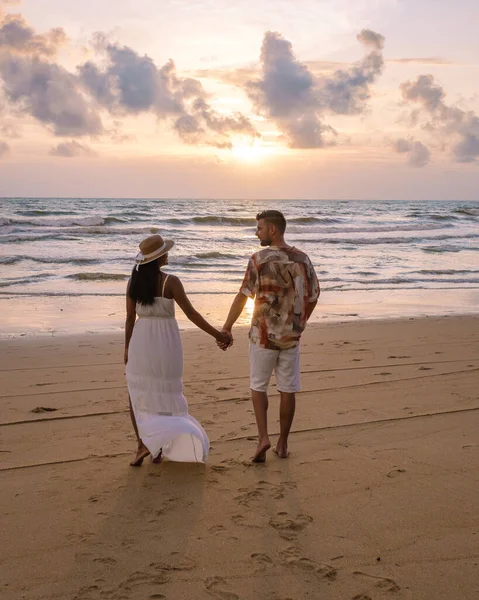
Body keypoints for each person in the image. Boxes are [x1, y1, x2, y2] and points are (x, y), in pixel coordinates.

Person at [219, 210, 320, 462]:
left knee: (258, 386)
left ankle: (263, 438)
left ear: (272, 230)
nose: (257, 232)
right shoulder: (302, 259)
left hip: (262, 335)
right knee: (288, 389)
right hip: (290, 336)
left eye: (260, 228)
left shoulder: (258, 259)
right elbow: (315, 294)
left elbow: (244, 295)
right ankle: (283, 444)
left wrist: (227, 326)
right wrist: (301, 321)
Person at [125, 233, 231, 466]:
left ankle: (142, 445)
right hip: (166, 345)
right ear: (160, 257)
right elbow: (192, 314)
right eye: (165, 251)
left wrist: (126, 349)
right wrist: (219, 335)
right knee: (166, 394)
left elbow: (130, 318)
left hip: (140, 343)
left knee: (137, 394)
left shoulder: (134, 282)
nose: (168, 254)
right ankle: (159, 445)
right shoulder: (170, 282)